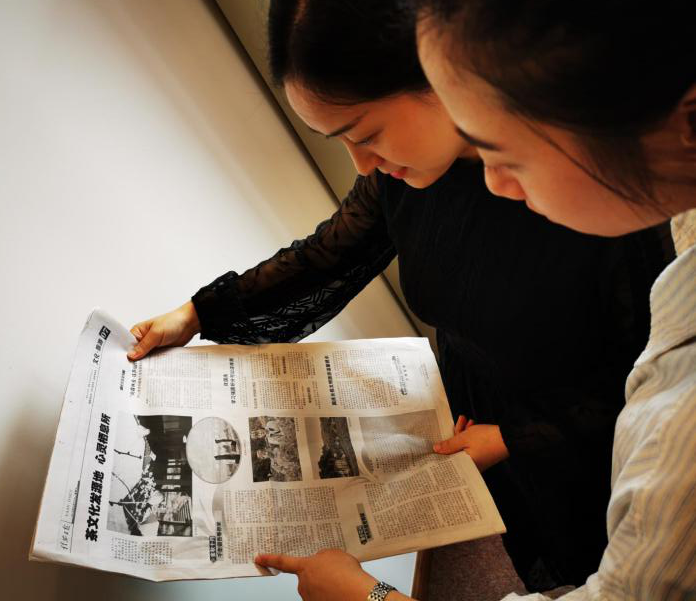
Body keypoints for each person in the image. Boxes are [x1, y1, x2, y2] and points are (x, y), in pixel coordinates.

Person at [130, 0, 672, 593]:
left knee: (611, 551)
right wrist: (198, 312)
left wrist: (514, 437)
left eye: (366, 134)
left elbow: (650, 372)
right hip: (482, 403)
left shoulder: (596, 198)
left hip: (586, 427)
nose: (362, 162)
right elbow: (330, 254)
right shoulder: (404, 177)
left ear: (439, 72)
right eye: (340, 140)